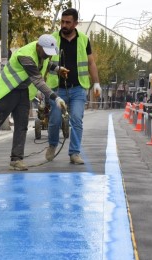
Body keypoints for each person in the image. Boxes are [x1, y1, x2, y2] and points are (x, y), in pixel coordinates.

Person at [0, 34, 68, 172]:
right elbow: (38, 81)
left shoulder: (42, 53)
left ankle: (16, 159)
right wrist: (55, 97)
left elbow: (45, 63)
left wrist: (57, 69)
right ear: (39, 47)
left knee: (22, 125)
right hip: (7, 90)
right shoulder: (26, 55)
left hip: (22, 91)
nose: (48, 56)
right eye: (46, 53)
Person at [44, 8, 101, 165]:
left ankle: (74, 153)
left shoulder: (83, 39)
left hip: (77, 88)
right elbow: (44, 62)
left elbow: (91, 62)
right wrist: (55, 70)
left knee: (76, 119)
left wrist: (96, 82)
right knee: (55, 120)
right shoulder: (53, 39)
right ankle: (52, 145)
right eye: (62, 21)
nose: (64, 25)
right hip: (56, 89)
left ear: (76, 23)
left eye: (68, 22)